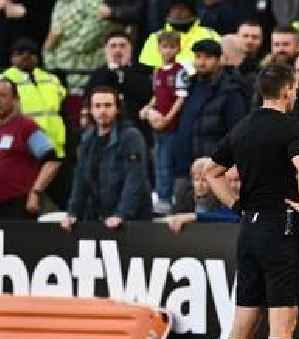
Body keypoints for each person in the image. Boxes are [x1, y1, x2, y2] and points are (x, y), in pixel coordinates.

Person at [205, 63, 299, 339]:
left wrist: (236, 205)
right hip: (279, 226)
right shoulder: (291, 127)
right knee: (282, 324)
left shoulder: (243, 127)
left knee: (242, 323)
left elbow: (211, 173)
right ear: (287, 90)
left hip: (248, 228)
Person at [170, 39, 249, 213]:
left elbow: (237, 134)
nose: (202, 62)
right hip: (186, 168)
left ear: (219, 59)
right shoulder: (188, 86)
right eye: (198, 57)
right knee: (180, 218)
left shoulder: (231, 90)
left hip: (216, 171)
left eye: (208, 57)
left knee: (212, 219)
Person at [62, 86, 152, 230]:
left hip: (132, 221)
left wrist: (121, 214)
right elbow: (80, 180)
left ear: (117, 108)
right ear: (91, 110)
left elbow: (135, 179)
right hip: (99, 217)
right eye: (97, 106)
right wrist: (73, 213)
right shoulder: (87, 139)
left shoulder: (131, 136)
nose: (102, 111)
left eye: (108, 105)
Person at [139, 31, 189, 215]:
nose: (168, 51)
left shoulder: (180, 71)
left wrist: (168, 118)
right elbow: (157, 95)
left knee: (167, 162)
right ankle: (160, 196)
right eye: (164, 46)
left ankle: (167, 199)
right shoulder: (157, 71)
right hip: (157, 125)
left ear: (178, 48)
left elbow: (180, 98)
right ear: (159, 48)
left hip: (171, 126)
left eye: (172, 47)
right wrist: (148, 107)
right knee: (158, 161)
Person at [0, 78, 61, 219]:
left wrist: (36, 191)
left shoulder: (27, 127)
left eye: (2, 95)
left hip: (16, 206)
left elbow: (52, 161)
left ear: (15, 99)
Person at [166, 156, 240, 232]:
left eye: (205, 180)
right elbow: (173, 215)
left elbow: (231, 216)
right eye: (196, 179)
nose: (200, 184)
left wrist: (194, 217)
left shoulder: (222, 196)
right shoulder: (185, 194)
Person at [139, 0, 220, 69]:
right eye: (174, 8)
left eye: (183, 8)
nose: (178, 12)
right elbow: (148, 68)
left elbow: (217, 64)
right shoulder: (155, 37)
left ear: (192, 10)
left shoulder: (210, 35)